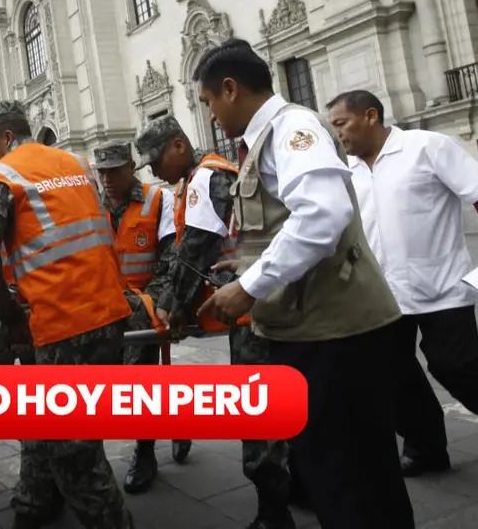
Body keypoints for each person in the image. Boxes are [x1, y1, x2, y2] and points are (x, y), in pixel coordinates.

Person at [193, 38, 413, 529]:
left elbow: (322, 215)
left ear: (230, 89)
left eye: (208, 101)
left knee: (346, 479)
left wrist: (249, 286)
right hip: (312, 330)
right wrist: (245, 266)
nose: (209, 115)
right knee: (353, 474)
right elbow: (284, 223)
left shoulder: (292, 129)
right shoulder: (266, 139)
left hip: (334, 337)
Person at [0, 100, 134, 529]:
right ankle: (34, 503)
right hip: (110, 315)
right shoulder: (77, 165)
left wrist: (10, 319)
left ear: (6, 137)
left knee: (75, 455)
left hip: (63, 326)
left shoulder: (0, 178)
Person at [135, 115, 294, 529]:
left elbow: (195, 249)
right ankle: (298, 489)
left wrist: (172, 307)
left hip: (252, 308)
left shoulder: (205, 178)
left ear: (178, 146)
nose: (154, 171)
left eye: (156, 160)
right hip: (259, 300)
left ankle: (274, 515)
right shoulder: (201, 177)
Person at [327, 89, 478, 476]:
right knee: (388, 373)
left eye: (342, 123)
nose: (337, 133)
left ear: (370, 116)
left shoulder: (427, 147)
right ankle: (426, 447)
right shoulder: (347, 172)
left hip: (442, 287)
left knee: (455, 367)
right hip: (380, 295)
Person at [90, 140, 191, 494]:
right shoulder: (91, 206)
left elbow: (171, 257)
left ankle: (145, 453)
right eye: (102, 172)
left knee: (139, 381)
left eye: (114, 171)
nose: (107, 179)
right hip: (105, 308)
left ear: (131, 167)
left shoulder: (157, 200)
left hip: (145, 307)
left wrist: (155, 302)